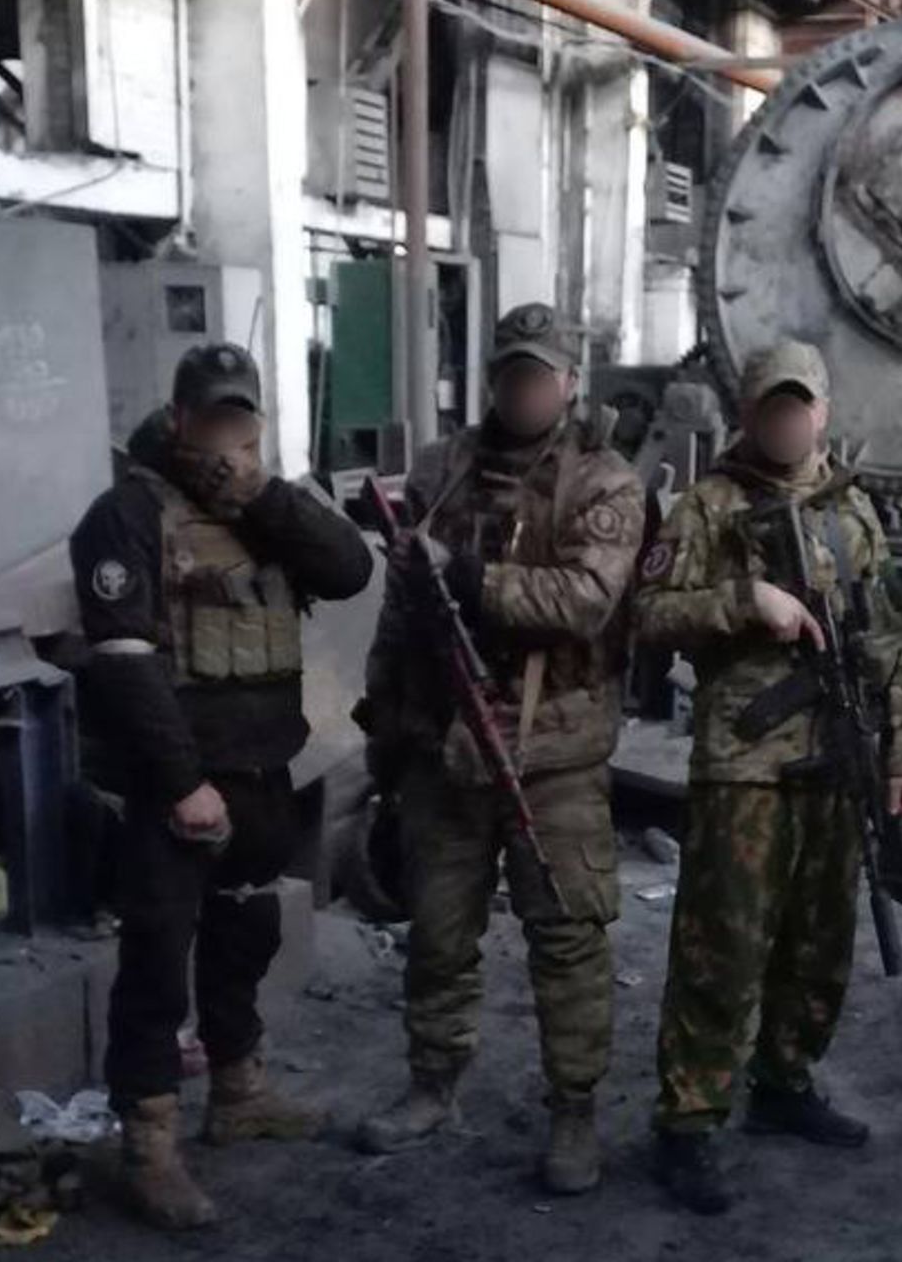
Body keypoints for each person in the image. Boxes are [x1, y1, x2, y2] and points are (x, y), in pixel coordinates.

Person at [70, 343, 373, 1229]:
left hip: (264, 775)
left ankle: (237, 1092)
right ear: (179, 421)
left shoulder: (267, 509)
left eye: (243, 424)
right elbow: (125, 669)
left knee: (247, 935)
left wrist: (262, 493)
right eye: (213, 423)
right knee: (158, 963)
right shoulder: (124, 516)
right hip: (180, 787)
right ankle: (149, 1147)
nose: (227, 440)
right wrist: (181, 784)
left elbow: (350, 569)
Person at [357, 303, 644, 1195]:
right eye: (510, 372)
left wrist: (472, 578)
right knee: (439, 935)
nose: (523, 388)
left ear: (568, 383)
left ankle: (574, 1113)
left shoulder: (606, 483)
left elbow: (586, 601)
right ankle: (432, 1084)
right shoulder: (443, 472)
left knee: (567, 943)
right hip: (446, 746)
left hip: (553, 751)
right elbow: (405, 608)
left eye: (539, 374)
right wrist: (384, 723)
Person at [634, 340, 902, 1214]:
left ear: (823, 412)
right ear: (749, 413)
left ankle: (785, 1081)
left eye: (799, 407)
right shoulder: (709, 505)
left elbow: (892, 641)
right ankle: (689, 1118)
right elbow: (645, 617)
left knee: (819, 939)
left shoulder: (855, 511)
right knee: (722, 950)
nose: (786, 422)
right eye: (770, 408)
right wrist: (742, 602)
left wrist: (901, 750)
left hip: (838, 758)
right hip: (744, 765)